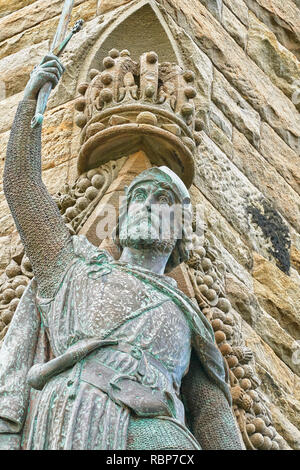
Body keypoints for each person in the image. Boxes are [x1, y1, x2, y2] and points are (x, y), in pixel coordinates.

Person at [0, 54, 244, 450]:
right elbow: (23, 189)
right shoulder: (73, 269)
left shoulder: (188, 318)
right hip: (74, 415)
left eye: (162, 199)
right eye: (138, 197)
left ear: (180, 228)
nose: (147, 204)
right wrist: (30, 102)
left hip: (159, 431)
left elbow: (214, 416)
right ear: (121, 218)